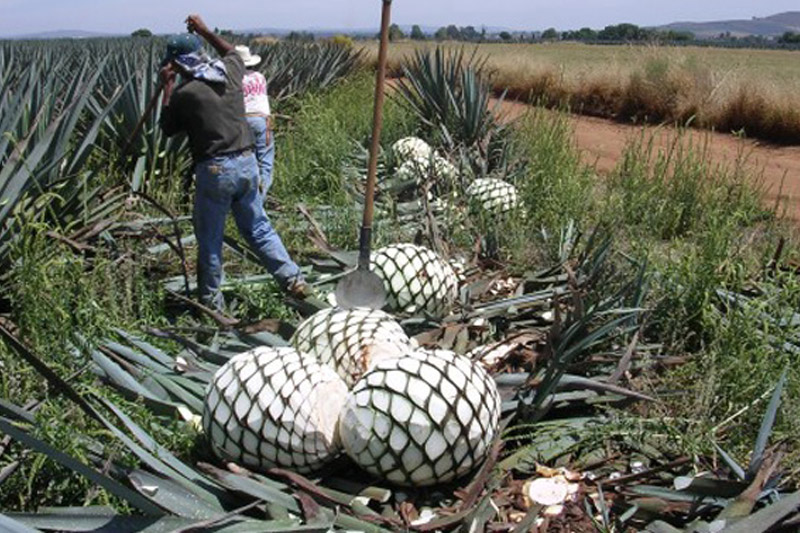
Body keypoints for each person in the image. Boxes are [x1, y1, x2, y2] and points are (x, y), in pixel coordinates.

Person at [159, 14, 308, 310]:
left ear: (176, 64)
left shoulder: (185, 94)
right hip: (247, 162)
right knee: (258, 228)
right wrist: (204, 30)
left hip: (216, 170)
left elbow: (166, 129)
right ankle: (293, 280)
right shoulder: (230, 72)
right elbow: (229, 51)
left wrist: (166, 86)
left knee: (210, 238)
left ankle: (212, 305)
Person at [235, 45, 274, 202]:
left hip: (241, 120)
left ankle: (242, 199)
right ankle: (258, 201)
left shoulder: (233, 80)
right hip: (261, 119)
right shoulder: (260, 77)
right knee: (265, 162)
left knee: (242, 161)